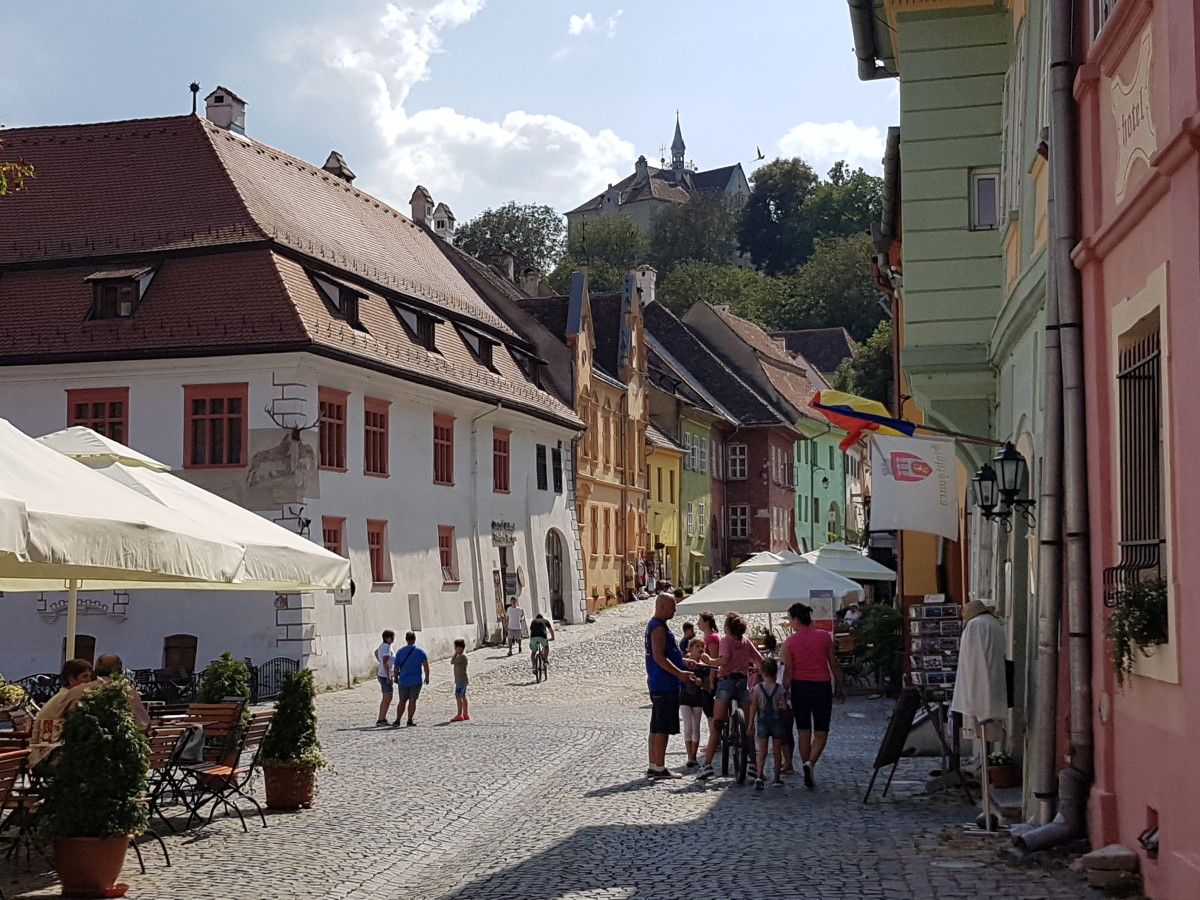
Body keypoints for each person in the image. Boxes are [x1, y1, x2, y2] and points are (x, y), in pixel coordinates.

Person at [780, 602, 846, 789]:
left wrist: (782, 692)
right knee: (821, 732)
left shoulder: (789, 642)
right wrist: (840, 685)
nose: (790, 623)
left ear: (796, 619)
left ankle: (805, 765)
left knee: (803, 730)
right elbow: (833, 664)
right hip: (821, 687)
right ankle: (811, 763)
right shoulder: (824, 637)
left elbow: (788, 672)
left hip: (800, 687)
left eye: (790, 619)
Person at [697, 612, 762, 781]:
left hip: (726, 682)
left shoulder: (725, 640)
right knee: (748, 726)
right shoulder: (746, 641)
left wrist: (709, 660)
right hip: (742, 683)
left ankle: (708, 765)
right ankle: (753, 765)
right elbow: (759, 660)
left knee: (718, 724)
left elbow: (724, 660)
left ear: (727, 627)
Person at [645, 592, 700, 779]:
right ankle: (659, 767)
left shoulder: (657, 625)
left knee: (656, 725)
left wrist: (684, 662)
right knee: (662, 726)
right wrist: (680, 673)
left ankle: (654, 764)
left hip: (660, 681)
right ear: (661, 607)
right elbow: (659, 657)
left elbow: (669, 655)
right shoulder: (658, 628)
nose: (675, 610)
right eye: (672, 607)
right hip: (664, 682)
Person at [28, 659, 93, 768]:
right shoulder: (68, 697)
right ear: (71, 679)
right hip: (48, 756)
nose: (89, 681)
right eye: (85, 676)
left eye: (90, 677)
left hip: (49, 749)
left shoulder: (65, 694)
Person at [60, 654, 151, 729]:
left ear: (95, 670)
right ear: (120, 672)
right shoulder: (126, 692)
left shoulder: (76, 691)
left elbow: (63, 721)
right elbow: (143, 724)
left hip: (79, 746)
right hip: (118, 747)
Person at [747, 657, 787, 790]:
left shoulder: (757, 689)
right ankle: (776, 778)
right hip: (776, 721)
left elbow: (753, 706)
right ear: (776, 672)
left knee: (762, 751)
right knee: (776, 751)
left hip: (762, 720)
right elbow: (784, 706)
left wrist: (751, 723)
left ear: (762, 673)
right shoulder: (780, 688)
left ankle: (759, 775)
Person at [679, 637, 714, 769]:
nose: (700, 649)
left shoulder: (703, 666)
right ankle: (690, 757)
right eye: (698, 646)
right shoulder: (684, 663)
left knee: (696, 728)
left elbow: (707, 684)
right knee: (688, 727)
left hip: (698, 699)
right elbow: (679, 677)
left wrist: (701, 682)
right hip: (685, 698)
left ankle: (694, 755)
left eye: (702, 647)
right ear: (691, 648)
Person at [392, 632, 430, 727]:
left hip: (404, 680)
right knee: (412, 701)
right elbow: (426, 666)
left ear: (406, 639)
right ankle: (409, 720)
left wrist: (396, 677)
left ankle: (398, 720)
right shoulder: (421, 652)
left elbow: (396, 667)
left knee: (402, 701)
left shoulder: (400, 652)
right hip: (416, 680)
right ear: (414, 639)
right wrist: (427, 677)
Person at [374, 630, 395, 726]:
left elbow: (376, 652)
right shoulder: (386, 647)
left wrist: (380, 661)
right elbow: (386, 662)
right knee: (387, 697)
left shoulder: (382, 646)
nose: (393, 639)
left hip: (382, 673)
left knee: (387, 697)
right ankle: (381, 719)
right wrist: (388, 676)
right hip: (384, 675)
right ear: (387, 638)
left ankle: (382, 718)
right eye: (392, 637)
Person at [450, 638, 470, 722]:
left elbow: (452, 661)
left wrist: (455, 654)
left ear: (460, 648)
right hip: (463, 679)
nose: (455, 649)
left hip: (460, 680)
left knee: (458, 696)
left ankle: (459, 714)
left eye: (456, 647)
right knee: (463, 696)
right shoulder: (462, 656)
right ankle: (465, 714)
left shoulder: (461, 656)